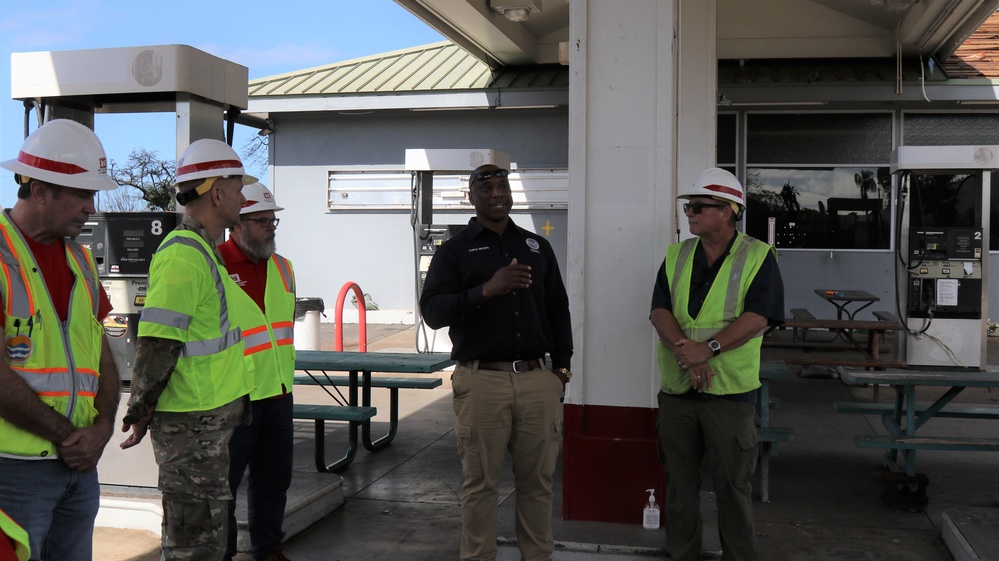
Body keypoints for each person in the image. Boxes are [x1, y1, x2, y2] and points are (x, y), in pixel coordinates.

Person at [419, 164, 573, 561]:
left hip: (538, 379)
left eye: (502, 186)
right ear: (471, 197)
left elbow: (558, 309)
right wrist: (487, 289)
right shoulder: (455, 250)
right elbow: (433, 311)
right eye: (485, 187)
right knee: (481, 484)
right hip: (482, 380)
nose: (496, 193)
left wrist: (561, 371)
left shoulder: (536, 247)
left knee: (538, 484)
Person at [120, 138, 260, 561]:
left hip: (204, 424)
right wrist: (139, 410)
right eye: (238, 188)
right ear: (216, 192)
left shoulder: (203, 251)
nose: (243, 197)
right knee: (193, 545)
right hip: (190, 428)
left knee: (205, 538)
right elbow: (157, 345)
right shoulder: (184, 256)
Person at [0, 119, 122, 561]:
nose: (91, 208)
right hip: (13, 470)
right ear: (39, 190)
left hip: (79, 467)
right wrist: (72, 437)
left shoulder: (81, 260)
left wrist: (103, 428)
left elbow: (102, 354)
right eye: (82, 195)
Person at [649, 168, 784, 561]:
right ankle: (682, 555)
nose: (688, 213)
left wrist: (705, 350)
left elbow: (760, 316)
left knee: (732, 488)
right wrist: (686, 352)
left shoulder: (758, 256)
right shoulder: (676, 254)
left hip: (729, 393)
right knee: (679, 488)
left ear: (727, 211)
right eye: (688, 206)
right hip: (678, 391)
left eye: (697, 206)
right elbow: (659, 311)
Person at [219, 183, 296, 561]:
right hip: (234, 398)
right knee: (225, 488)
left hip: (278, 394)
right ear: (237, 223)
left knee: (274, 481)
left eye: (273, 221)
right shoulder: (213, 265)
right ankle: (227, 554)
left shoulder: (284, 268)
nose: (270, 228)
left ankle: (269, 549)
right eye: (261, 221)